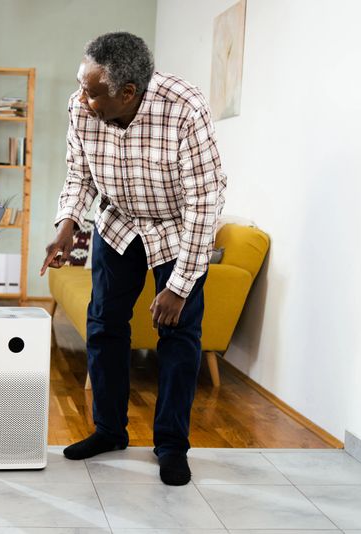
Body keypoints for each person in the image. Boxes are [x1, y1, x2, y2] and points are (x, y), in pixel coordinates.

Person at [41, 32, 227, 486]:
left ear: (128, 92)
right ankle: (108, 430)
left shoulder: (185, 108)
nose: (83, 100)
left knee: (179, 334)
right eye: (82, 87)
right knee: (104, 324)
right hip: (118, 221)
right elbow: (78, 171)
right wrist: (67, 221)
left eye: (93, 92)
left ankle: (171, 445)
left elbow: (206, 201)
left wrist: (179, 286)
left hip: (176, 226)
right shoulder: (81, 105)